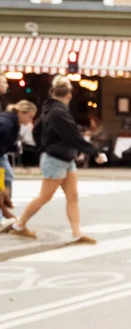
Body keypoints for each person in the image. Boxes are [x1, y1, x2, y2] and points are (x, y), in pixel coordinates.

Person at [8, 74, 106, 241]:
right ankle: (19, 224)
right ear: (68, 95)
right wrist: (94, 152)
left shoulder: (49, 109)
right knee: (45, 196)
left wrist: (43, 147)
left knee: (72, 196)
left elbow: (36, 131)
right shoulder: (59, 113)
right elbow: (73, 136)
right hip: (56, 158)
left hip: (62, 158)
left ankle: (76, 234)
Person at [0, 100, 37, 228]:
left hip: (1, 154)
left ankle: (4, 208)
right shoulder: (7, 124)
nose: (30, 120)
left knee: (7, 177)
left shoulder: (12, 122)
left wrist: (15, 147)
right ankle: (2, 212)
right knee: (4, 180)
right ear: (22, 113)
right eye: (30, 117)